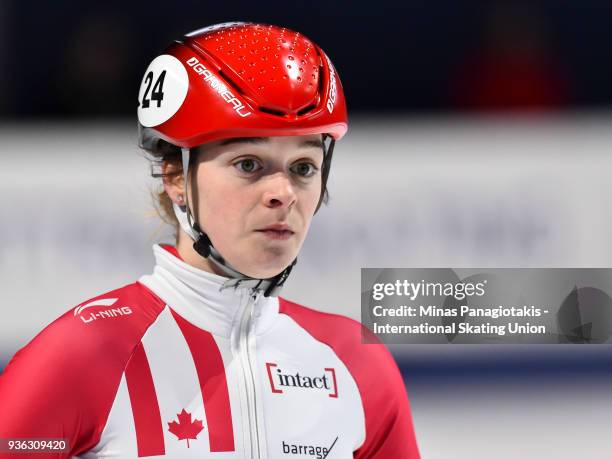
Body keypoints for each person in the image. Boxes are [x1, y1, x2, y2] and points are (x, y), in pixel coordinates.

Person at [0, 22, 420, 458]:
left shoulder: (355, 364)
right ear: (176, 177)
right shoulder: (83, 356)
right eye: (248, 164)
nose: (282, 193)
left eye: (303, 167)